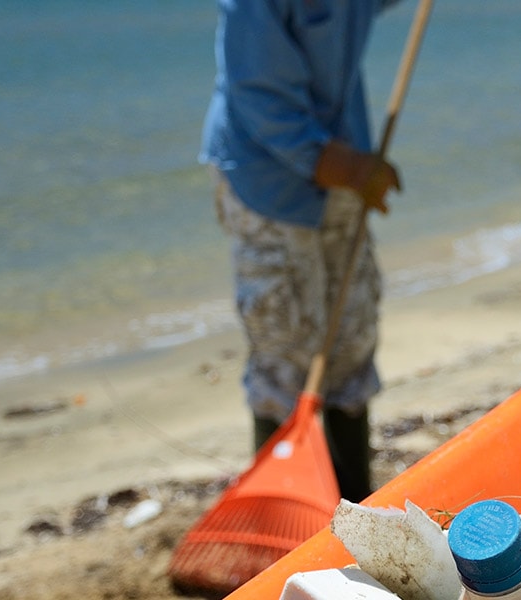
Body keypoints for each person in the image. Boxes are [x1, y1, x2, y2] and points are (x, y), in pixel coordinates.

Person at [199, 0, 404, 502]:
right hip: (266, 179)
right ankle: (283, 506)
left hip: (341, 159)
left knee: (351, 338)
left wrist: (353, 170)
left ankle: (353, 502)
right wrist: (355, 171)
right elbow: (262, 99)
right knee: (285, 347)